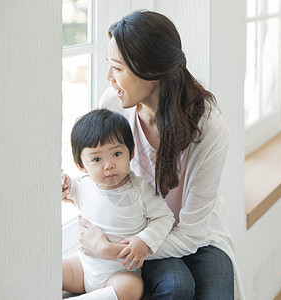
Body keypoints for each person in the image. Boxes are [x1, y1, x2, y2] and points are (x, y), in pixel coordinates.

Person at [77, 10, 245, 300]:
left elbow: (192, 234)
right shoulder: (115, 105)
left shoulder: (209, 131)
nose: (109, 78)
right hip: (139, 230)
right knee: (175, 286)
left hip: (198, 236)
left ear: (151, 72)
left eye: (117, 68)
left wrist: (110, 251)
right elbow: (97, 170)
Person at [61, 108, 174, 300]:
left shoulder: (140, 189)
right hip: (84, 265)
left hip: (120, 273)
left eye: (116, 154)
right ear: (81, 164)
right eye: (96, 159)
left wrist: (145, 240)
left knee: (131, 289)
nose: (108, 165)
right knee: (50, 269)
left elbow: (165, 217)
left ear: (130, 153)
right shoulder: (84, 185)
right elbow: (68, 188)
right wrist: (63, 182)